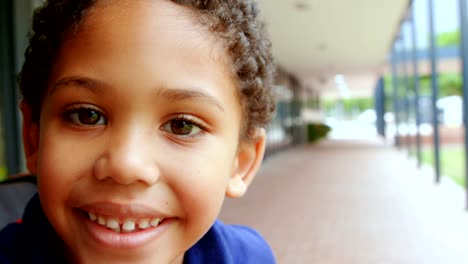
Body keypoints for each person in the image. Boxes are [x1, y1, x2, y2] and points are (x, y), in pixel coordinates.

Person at [0, 0, 276, 263]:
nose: (126, 166)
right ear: (33, 138)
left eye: (182, 125)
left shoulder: (251, 258)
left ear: (241, 162)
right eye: (87, 116)